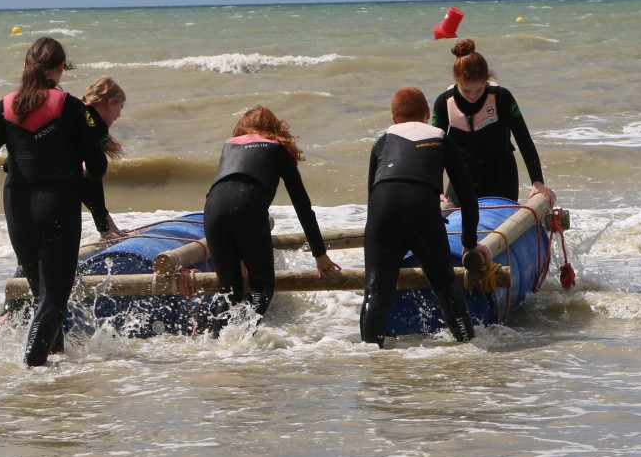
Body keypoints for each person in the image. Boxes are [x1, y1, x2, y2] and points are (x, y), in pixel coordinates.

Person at [0, 37, 108, 367]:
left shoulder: (4, 107)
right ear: (60, 68)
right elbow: (96, 168)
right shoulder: (71, 106)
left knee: (42, 295)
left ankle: (54, 362)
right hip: (57, 204)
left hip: (17, 208)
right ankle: (32, 369)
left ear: (27, 66)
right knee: (54, 298)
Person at [359, 87, 489, 347]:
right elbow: (467, 197)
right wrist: (469, 243)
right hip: (421, 209)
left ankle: (369, 355)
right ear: (428, 113)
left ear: (394, 117)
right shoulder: (441, 138)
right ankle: (468, 347)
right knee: (445, 285)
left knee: (376, 290)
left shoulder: (382, 141)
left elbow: (372, 197)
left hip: (383, 209)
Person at [202, 105, 340, 327]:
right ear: (275, 127)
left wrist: (238, 255)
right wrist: (320, 255)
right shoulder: (278, 150)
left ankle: (214, 340)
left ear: (243, 127)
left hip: (212, 207)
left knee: (230, 292)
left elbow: (229, 195)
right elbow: (302, 206)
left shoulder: (230, 146)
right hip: (247, 206)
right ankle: (244, 337)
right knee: (262, 287)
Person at [431, 39, 554, 206]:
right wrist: (436, 189)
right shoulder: (444, 102)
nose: (472, 96)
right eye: (466, 90)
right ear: (455, 79)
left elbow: (523, 139)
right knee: (446, 214)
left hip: (501, 175)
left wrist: (537, 182)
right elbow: (435, 149)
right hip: (463, 175)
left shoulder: (501, 97)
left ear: (487, 79)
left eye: (479, 89)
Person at [81, 76, 127, 242]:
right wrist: (105, 229)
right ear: (110, 102)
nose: (119, 115)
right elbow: (92, 178)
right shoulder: (96, 125)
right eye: (120, 108)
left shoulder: (81, 112)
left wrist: (108, 224)